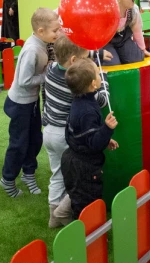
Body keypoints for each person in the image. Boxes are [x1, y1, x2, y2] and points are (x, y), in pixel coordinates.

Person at [43, 34, 109, 228]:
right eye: (85, 58)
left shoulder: (51, 69)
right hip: (66, 136)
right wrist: (102, 80)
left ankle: (53, 215)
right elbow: (102, 99)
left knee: (57, 174)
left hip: (48, 131)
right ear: (73, 61)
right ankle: (63, 210)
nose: (87, 61)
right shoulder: (75, 84)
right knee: (76, 180)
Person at [0, 8, 61, 198]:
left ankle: (28, 173)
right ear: (41, 31)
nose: (58, 34)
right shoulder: (32, 49)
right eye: (55, 31)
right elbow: (23, 81)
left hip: (32, 102)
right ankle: (8, 179)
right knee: (18, 143)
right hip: (20, 104)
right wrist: (46, 75)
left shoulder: (42, 42)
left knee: (35, 140)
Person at [52, 58, 118, 226]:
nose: (100, 75)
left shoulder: (81, 102)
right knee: (86, 200)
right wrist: (107, 128)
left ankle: (61, 212)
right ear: (93, 84)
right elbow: (93, 143)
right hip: (84, 166)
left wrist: (104, 137)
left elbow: (84, 135)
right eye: (98, 73)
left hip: (73, 157)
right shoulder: (87, 110)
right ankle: (85, 233)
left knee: (78, 192)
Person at [102, 0, 150, 66]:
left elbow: (137, 30)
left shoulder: (133, 10)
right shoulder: (105, 12)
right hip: (106, 42)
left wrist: (143, 49)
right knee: (112, 63)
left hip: (123, 40)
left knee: (137, 58)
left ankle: (119, 52)